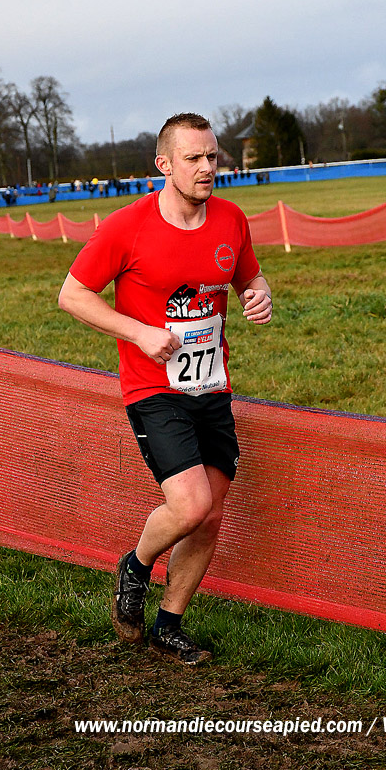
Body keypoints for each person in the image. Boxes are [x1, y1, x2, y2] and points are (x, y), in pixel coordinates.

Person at [58, 113, 272, 665]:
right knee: (191, 504)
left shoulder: (231, 219)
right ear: (164, 164)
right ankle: (135, 565)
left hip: (212, 388)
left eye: (212, 156)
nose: (206, 168)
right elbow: (72, 295)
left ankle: (168, 625)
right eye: (193, 158)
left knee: (211, 514)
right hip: (153, 388)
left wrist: (259, 294)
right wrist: (138, 332)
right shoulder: (126, 227)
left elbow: (249, 276)